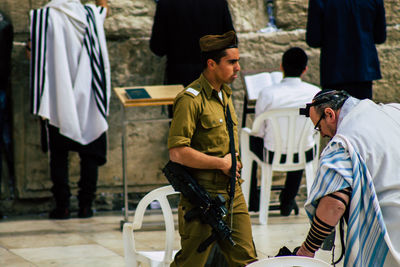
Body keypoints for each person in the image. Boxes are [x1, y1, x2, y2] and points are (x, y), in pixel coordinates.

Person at [168, 31, 257, 266]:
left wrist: (232, 162)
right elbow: (177, 151)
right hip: (202, 196)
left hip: (232, 193)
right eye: (232, 62)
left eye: (238, 61)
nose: (238, 68)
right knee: (191, 262)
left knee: (247, 260)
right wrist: (221, 163)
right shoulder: (190, 99)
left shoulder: (225, 94)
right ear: (211, 64)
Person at [295, 90, 400, 266]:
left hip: (390, 230)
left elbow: (334, 203)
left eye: (319, 127)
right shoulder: (393, 111)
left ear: (329, 114)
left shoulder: (344, 143)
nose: (322, 135)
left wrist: (307, 249)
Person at [29, 0, 110, 219]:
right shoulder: (91, 14)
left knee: (58, 154)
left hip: (58, 97)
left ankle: (62, 206)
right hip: (89, 97)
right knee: (90, 155)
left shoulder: (44, 17)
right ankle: (86, 205)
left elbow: (34, 55)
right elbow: (104, 8)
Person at [254, 47, 320, 216]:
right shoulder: (314, 93)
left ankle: (253, 198)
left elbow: (259, 131)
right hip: (304, 153)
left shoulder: (267, 93)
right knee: (300, 143)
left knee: (250, 138)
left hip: (271, 153)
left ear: (282, 67)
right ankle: (288, 199)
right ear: (305, 69)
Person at [306, 0, 386, 99]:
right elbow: (380, 37)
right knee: (362, 111)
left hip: (334, 68)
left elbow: (314, 39)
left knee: (334, 112)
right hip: (363, 68)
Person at [150, 0, 235, 87]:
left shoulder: (165, 3)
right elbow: (230, 41)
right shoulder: (219, 2)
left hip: (178, 75)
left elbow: (157, 48)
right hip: (212, 74)